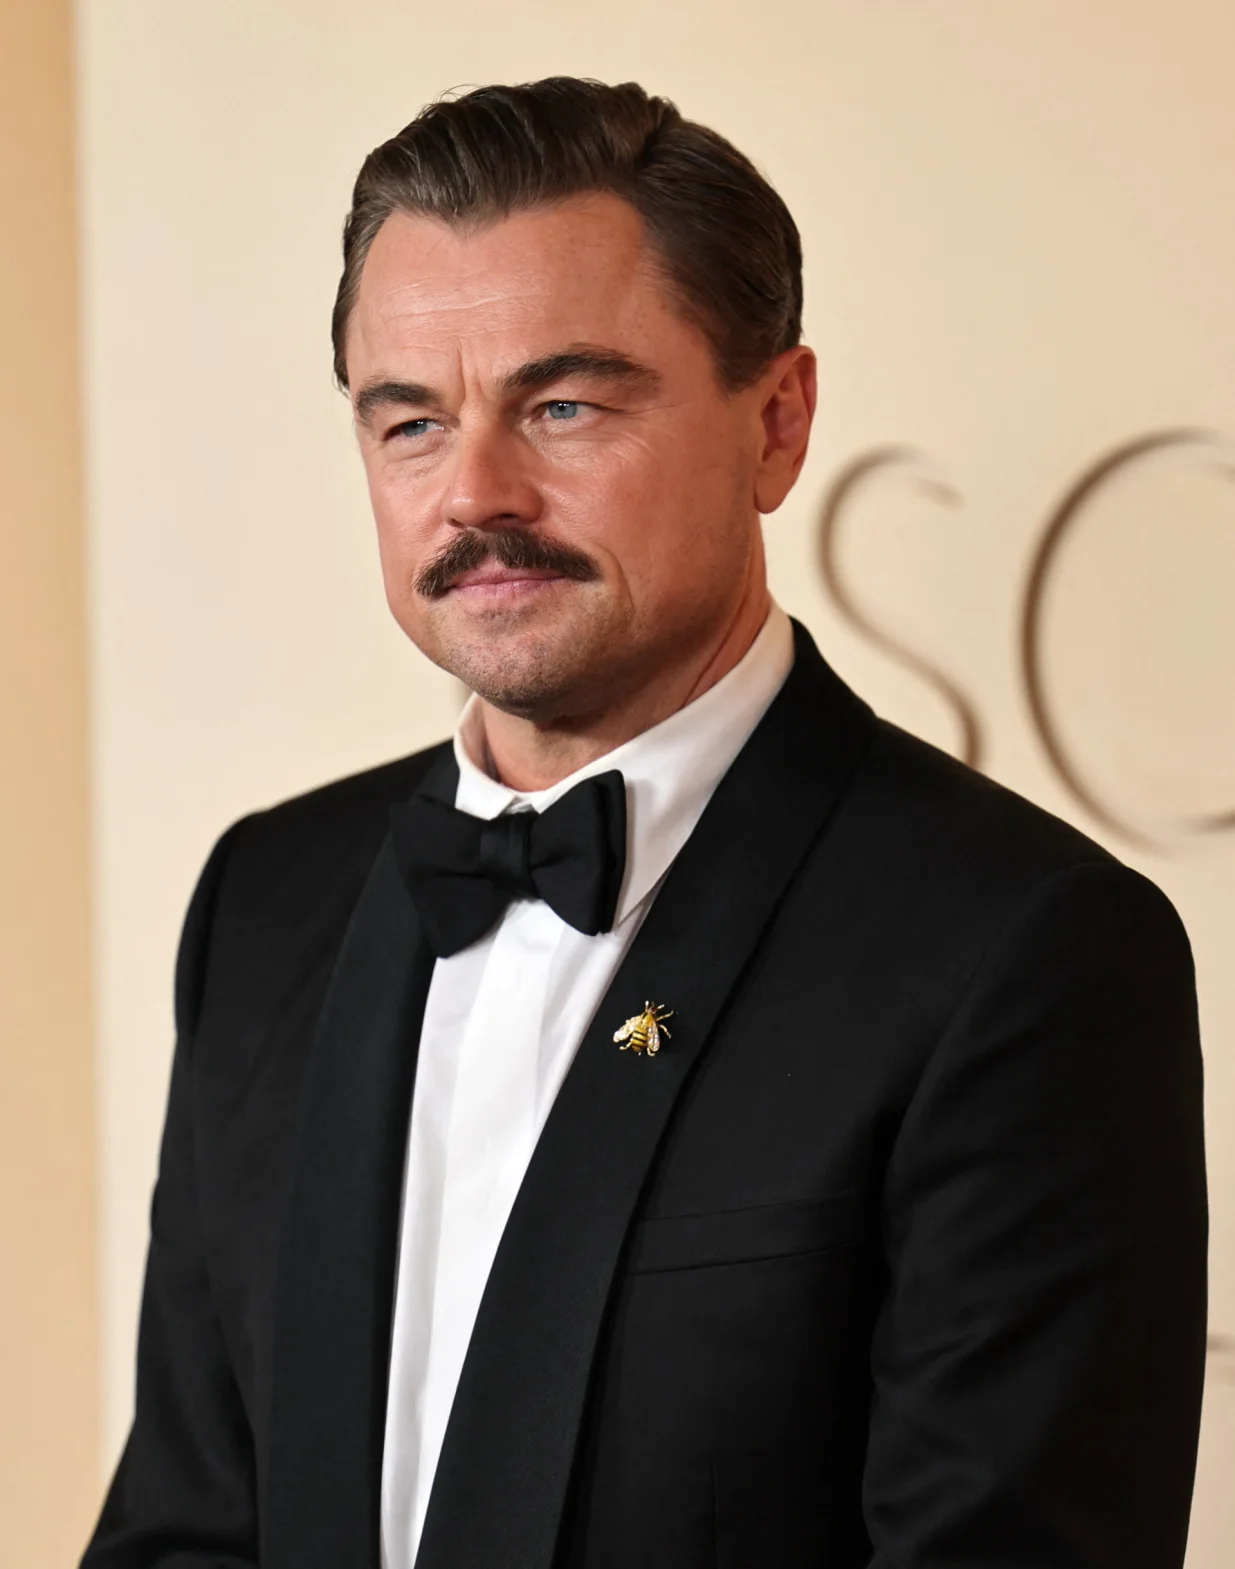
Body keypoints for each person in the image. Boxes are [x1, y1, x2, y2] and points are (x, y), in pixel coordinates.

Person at [81, 77, 1207, 1569]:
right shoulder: (267, 898)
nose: (475, 492)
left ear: (777, 424)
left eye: (563, 404)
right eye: (409, 421)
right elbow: (185, 1527)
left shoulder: (1024, 950)